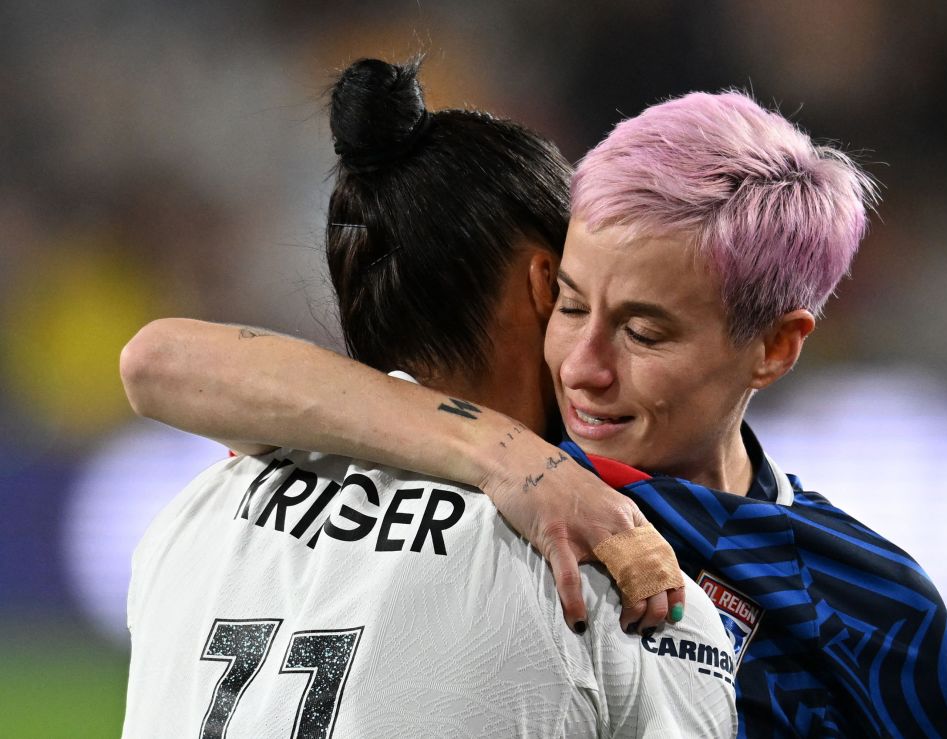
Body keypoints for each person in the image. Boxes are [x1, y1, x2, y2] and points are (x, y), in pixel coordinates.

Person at [124, 78, 947, 735]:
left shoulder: (878, 612)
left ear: (776, 346)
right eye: (569, 306)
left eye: (644, 333)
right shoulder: (498, 487)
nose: (584, 368)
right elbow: (164, 360)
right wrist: (512, 460)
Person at [120, 58, 737, 738]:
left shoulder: (196, 513)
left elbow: (156, 358)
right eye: (579, 295)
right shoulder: (592, 564)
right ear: (543, 282)